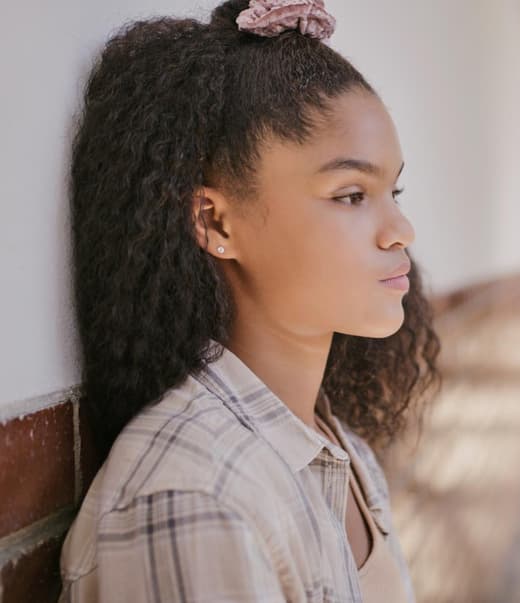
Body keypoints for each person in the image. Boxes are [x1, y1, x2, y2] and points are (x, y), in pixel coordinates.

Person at [60, 1, 440, 601]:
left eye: (393, 190)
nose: (401, 230)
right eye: (350, 195)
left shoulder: (341, 451)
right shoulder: (195, 495)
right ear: (216, 222)